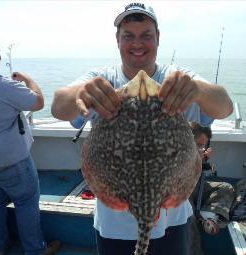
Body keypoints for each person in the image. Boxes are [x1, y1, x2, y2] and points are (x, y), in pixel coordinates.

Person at [51, 3, 233, 255]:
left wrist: (198, 89)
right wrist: (79, 94)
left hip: (174, 221)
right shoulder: (103, 81)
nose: (137, 43)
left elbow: (224, 106)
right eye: (129, 36)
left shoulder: (177, 78)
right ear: (117, 40)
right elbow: (59, 105)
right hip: (114, 226)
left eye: (146, 35)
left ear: (158, 38)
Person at [0, 37, 59, 255]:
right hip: (11, 160)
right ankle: (34, 250)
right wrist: (26, 78)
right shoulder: (2, 84)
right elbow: (39, 102)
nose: (0, 59)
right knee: (26, 201)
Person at [188, 122, 235, 254]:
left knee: (225, 187)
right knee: (188, 217)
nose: (202, 148)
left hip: (198, 187)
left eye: (203, 145)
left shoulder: (198, 154)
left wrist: (201, 161)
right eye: (198, 144)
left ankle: (208, 215)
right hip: (182, 194)